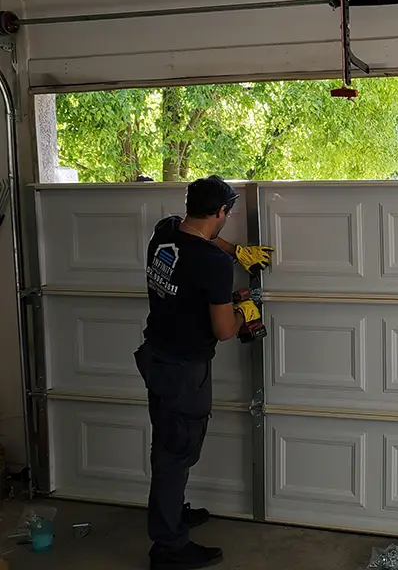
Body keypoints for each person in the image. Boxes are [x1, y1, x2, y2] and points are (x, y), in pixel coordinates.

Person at [134, 175, 272, 570]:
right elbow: (224, 331)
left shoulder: (166, 231)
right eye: (228, 211)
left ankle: (172, 513)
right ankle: (169, 547)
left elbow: (201, 238)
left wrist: (235, 251)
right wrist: (244, 308)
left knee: (168, 445)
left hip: (156, 357)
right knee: (176, 454)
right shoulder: (210, 264)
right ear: (221, 212)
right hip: (183, 370)